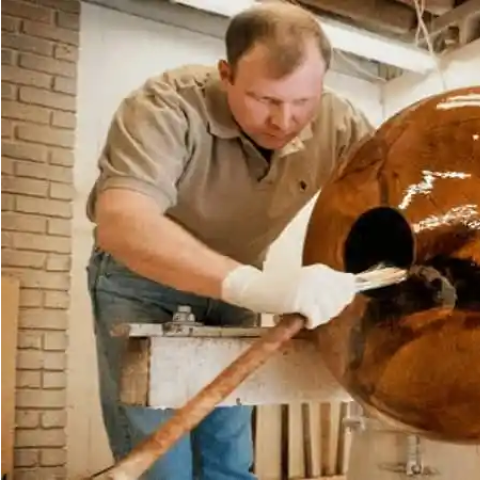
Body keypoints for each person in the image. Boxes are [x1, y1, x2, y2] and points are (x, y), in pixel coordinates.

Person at [85, 2, 374, 479]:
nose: (285, 120)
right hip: (141, 285)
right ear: (226, 73)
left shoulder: (339, 122)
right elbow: (122, 223)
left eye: (303, 101)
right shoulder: (166, 106)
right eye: (265, 99)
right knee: (163, 464)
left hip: (236, 289)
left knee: (230, 461)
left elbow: (396, 187)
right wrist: (255, 287)